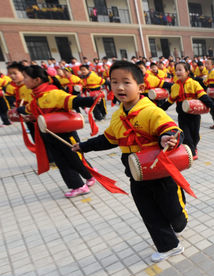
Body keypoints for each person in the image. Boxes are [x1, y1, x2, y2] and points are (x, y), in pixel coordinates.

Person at [72, 61, 188, 262]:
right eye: (114, 82)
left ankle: (179, 222)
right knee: (148, 212)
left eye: (126, 82)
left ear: (141, 87)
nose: (119, 87)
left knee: (174, 214)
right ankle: (169, 245)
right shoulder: (117, 117)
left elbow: (172, 130)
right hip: (136, 173)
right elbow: (108, 139)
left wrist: (166, 138)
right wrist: (84, 146)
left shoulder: (151, 111)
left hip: (160, 171)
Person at [19, 65, 98, 197]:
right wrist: (20, 112)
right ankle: (78, 185)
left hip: (65, 133)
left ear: (37, 80)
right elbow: (29, 109)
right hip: (49, 135)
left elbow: (73, 100)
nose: (23, 80)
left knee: (74, 158)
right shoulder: (37, 96)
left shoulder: (53, 93)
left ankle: (90, 175)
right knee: (61, 161)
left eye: (25, 77)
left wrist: (92, 100)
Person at [161, 61, 214, 158]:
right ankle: (192, 152)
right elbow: (169, 102)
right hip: (182, 116)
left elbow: (204, 97)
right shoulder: (174, 87)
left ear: (187, 72)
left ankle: (193, 146)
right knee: (186, 135)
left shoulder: (194, 84)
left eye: (180, 70)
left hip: (194, 115)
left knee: (195, 135)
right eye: (176, 70)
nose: (177, 72)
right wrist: (159, 109)